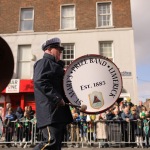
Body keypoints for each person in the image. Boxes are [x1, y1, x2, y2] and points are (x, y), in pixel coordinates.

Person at [33, 37, 73, 150]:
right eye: (58, 49)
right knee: (50, 142)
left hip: (58, 114)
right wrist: (57, 98)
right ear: (49, 49)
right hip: (50, 113)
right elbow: (40, 81)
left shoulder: (56, 66)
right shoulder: (44, 62)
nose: (60, 52)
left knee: (56, 147)